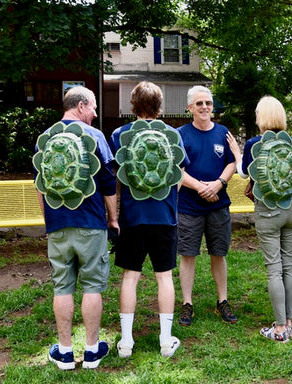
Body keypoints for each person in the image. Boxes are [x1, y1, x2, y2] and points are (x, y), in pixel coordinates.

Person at [35, 86, 119, 370]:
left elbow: (40, 186)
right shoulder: (95, 137)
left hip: (58, 225)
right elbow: (108, 184)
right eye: (93, 108)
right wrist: (113, 218)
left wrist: (48, 221)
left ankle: (65, 353)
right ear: (81, 105)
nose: (95, 114)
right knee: (93, 286)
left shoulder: (44, 139)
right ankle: (93, 351)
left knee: (62, 287)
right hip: (91, 223)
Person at [109, 81, 189, 358]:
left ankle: (126, 342)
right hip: (164, 217)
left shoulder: (120, 134)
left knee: (130, 277)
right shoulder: (173, 135)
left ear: (133, 104)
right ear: (159, 104)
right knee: (164, 277)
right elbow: (177, 177)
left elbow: (116, 179)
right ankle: (166, 341)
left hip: (132, 217)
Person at [227, 96, 292, 342]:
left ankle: (280, 329)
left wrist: (237, 155)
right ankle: (289, 322)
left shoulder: (254, 144)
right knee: (288, 266)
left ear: (262, 117)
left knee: (274, 269)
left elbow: (243, 173)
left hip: (268, 213)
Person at [177, 85, 237, 326]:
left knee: (218, 254)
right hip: (189, 207)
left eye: (208, 103)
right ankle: (187, 303)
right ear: (190, 107)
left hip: (218, 206)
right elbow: (177, 171)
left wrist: (219, 184)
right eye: (199, 103)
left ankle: (222, 300)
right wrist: (202, 187)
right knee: (188, 255)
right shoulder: (180, 134)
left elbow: (232, 163)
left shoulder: (223, 133)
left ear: (213, 107)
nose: (204, 107)